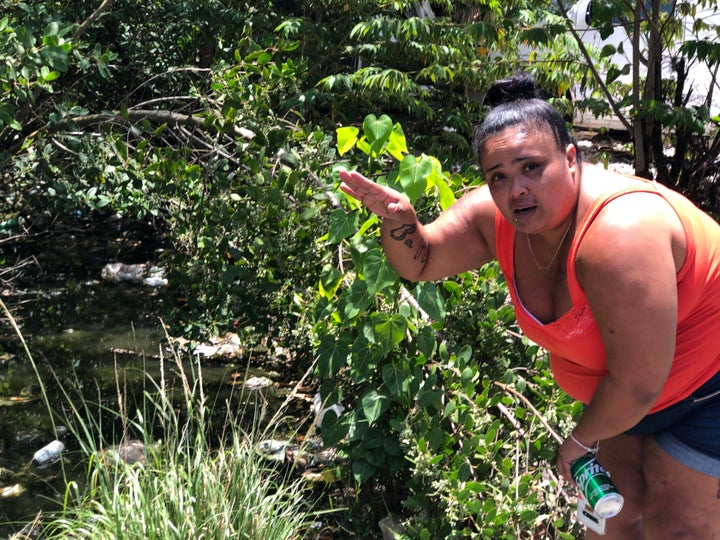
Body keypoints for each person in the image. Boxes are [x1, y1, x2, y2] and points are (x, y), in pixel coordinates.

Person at [338, 73, 720, 539]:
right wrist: (401, 223)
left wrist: (577, 444)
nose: (515, 189)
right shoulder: (496, 217)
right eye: (498, 177)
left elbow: (639, 382)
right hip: (628, 396)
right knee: (612, 517)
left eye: (531, 168)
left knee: (677, 521)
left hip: (706, 383)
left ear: (571, 159)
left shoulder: (620, 235)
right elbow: (424, 261)